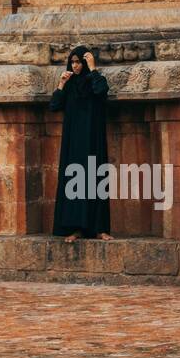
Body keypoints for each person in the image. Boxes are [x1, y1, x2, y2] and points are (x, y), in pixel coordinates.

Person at [49, 45, 113, 243]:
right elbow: (54, 106)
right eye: (73, 62)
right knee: (74, 182)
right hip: (74, 142)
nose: (76, 66)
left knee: (96, 179)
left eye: (79, 62)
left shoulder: (94, 80)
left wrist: (93, 68)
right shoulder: (69, 84)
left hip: (93, 139)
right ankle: (76, 228)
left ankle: (100, 229)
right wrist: (61, 84)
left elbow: (101, 90)